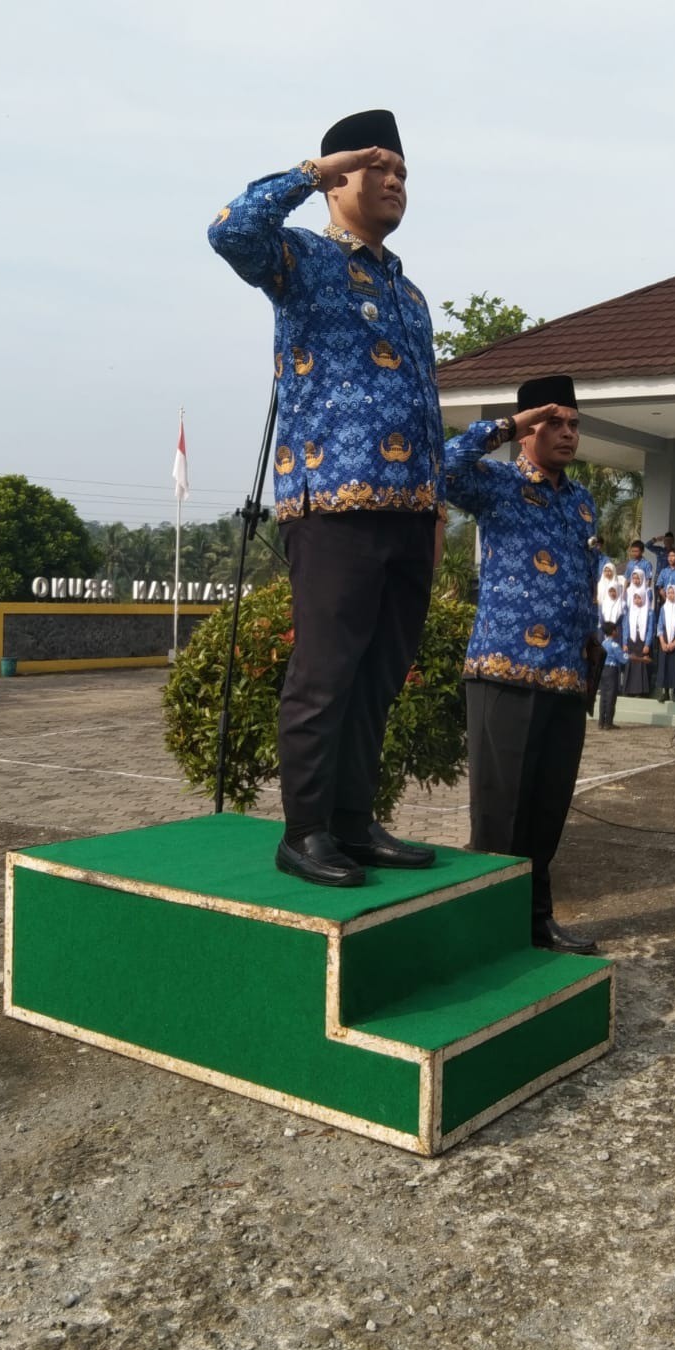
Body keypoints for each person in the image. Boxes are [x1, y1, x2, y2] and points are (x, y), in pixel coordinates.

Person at [209, 110, 444, 887]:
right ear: (340, 178)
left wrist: (435, 509)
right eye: (378, 169)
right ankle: (305, 829)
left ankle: (353, 819)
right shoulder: (301, 259)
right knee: (327, 672)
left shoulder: (407, 292)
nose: (394, 184)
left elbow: (427, 410)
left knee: (381, 672)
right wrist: (311, 170)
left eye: (403, 173)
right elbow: (229, 231)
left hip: (409, 511)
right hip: (333, 504)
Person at [445, 376, 600, 954]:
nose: (567, 434)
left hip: (566, 677)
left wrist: (593, 647)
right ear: (530, 428)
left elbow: (585, 582)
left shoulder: (581, 500)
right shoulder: (500, 485)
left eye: (574, 424)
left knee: (546, 812)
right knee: (500, 816)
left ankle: (536, 923)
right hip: (505, 671)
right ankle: (486, 932)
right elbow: (443, 469)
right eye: (555, 423)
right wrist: (507, 424)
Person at [654, 583, 675, 702]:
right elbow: (660, 625)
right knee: (664, 665)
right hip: (665, 639)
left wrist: (674, 643)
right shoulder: (664, 608)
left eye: (672, 593)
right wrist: (662, 642)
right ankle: (665, 692)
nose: (670, 595)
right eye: (668, 593)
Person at [622, 570, 654, 696]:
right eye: (635, 598)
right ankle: (629, 689)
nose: (637, 600)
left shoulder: (649, 612)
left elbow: (650, 629)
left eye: (639, 598)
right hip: (631, 640)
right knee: (631, 663)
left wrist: (647, 644)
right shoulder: (631, 611)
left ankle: (640, 691)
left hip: (642, 641)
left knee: (641, 664)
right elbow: (625, 627)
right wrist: (624, 642)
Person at [597, 620, 627, 729]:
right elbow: (623, 659)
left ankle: (601, 721)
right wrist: (638, 658)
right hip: (611, 670)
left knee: (603, 696)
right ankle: (608, 722)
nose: (617, 631)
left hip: (603, 670)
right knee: (611, 696)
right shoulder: (614, 645)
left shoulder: (603, 643)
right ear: (613, 632)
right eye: (616, 629)